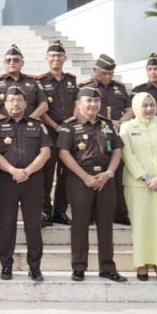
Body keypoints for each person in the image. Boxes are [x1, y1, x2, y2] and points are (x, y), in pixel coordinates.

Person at [57, 87, 127, 282]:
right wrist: (85, 177)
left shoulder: (107, 125)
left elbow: (117, 151)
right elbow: (63, 153)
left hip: (105, 178)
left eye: (96, 101)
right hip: (80, 179)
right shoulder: (69, 126)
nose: (93, 104)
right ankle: (79, 266)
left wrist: (109, 173)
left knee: (106, 225)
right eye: (88, 101)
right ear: (79, 104)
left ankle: (107, 267)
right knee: (80, 224)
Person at [0, 87, 50, 282]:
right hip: (7, 180)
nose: (15, 104)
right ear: (5, 104)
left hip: (32, 181)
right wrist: (13, 171)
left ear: (25, 104)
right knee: (7, 224)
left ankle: (35, 267)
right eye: (11, 100)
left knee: (33, 225)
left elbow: (45, 152)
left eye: (19, 100)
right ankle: (6, 265)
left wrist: (27, 171)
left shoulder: (38, 125)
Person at [119, 92, 157, 282]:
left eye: (152, 105)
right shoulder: (127, 127)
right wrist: (145, 177)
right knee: (141, 225)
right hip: (138, 184)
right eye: (144, 105)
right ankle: (142, 263)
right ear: (136, 107)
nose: (149, 109)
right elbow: (127, 154)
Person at [80, 54, 133, 225]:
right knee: (93, 169)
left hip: (115, 132)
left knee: (117, 173)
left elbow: (130, 109)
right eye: (104, 73)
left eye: (111, 73)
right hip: (93, 133)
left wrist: (120, 122)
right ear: (95, 70)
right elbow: (79, 110)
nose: (108, 76)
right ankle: (90, 214)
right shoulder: (85, 87)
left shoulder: (119, 88)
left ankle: (120, 214)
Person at [36, 40, 76, 226]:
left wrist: (69, 123)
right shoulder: (40, 81)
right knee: (47, 172)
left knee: (66, 173)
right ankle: (45, 210)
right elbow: (41, 109)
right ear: (47, 58)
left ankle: (60, 210)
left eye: (59, 55)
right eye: (52, 55)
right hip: (49, 132)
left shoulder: (71, 80)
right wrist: (56, 126)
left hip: (68, 132)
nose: (56, 58)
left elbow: (77, 104)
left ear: (65, 58)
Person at [0, 45, 48, 121]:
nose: (11, 63)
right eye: (8, 61)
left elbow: (44, 105)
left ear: (22, 63)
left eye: (16, 60)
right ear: (4, 63)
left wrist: (29, 121)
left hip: (29, 125)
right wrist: (3, 120)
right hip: (2, 125)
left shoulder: (33, 81)